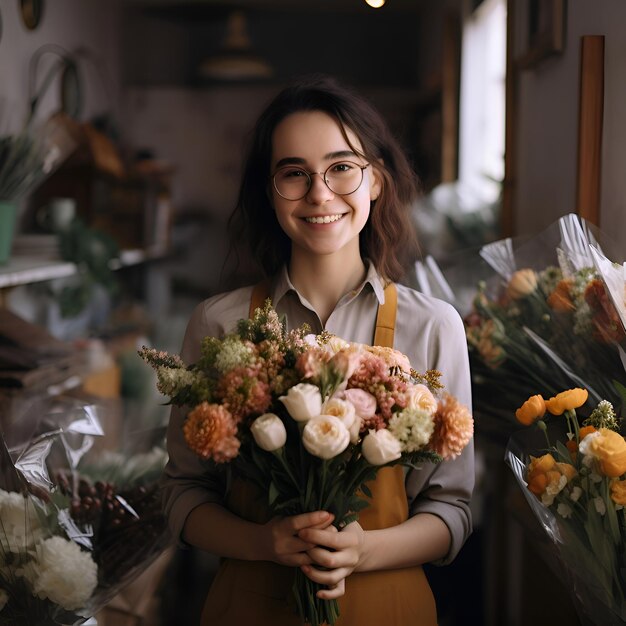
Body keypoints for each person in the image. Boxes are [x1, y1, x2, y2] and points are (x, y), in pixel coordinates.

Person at [162, 74, 474, 625]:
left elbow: (454, 506)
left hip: (390, 607)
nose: (319, 194)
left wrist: (364, 551)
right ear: (269, 189)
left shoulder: (434, 327)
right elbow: (182, 494)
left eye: (341, 167)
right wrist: (263, 543)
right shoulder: (219, 323)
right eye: (294, 174)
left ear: (374, 180)